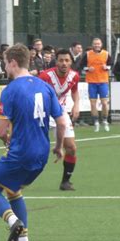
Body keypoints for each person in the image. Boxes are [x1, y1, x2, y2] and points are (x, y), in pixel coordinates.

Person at [0, 43, 65, 241]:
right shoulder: (45, 86)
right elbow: (62, 122)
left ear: (13, 62)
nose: (5, 69)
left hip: (21, 152)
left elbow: (1, 132)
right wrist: (59, 146)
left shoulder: (10, 90)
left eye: (5, 64)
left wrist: (6, 142)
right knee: (13, 190)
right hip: (42, 154)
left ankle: (13, 222)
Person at [39, 49, 80, 191]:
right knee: (33, 149)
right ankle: (18, 179)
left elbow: (75, 91)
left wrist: (76, 105)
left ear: (71, 62)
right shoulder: (45, 76)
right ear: (56, 62)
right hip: (43, 112)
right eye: (61, 60)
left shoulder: (74, 76)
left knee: (71, 148)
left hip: (61, 112)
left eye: (67, 60)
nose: (64, 63)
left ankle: (65, 182)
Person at [79, 38, 112, 132]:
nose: (97, 45)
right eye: (95, 44)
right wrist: (88, 69)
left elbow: (111, 64)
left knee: (104, 103)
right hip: (92, 82)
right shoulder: (88, 54)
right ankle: (96, 122)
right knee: (93, 103)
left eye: (98, 44)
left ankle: (105, 120)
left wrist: (107, 67)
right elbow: (82, 65)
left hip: (103, 81)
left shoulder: (106, 54)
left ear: (101, 44)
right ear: (92, 45)